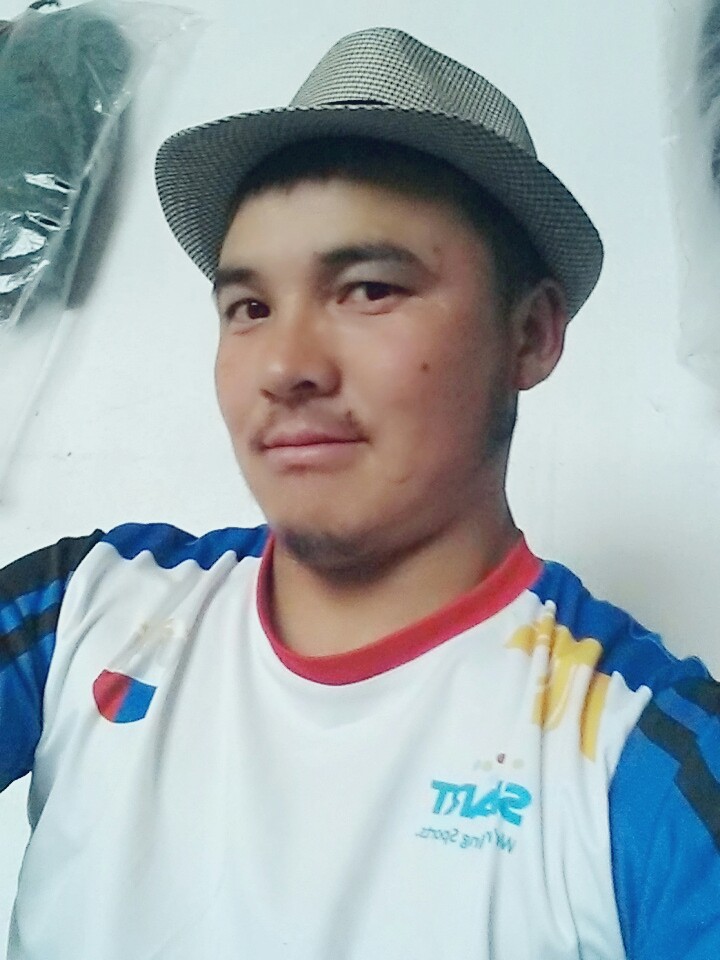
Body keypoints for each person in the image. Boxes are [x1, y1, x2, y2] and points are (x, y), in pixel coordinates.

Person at [1, 26, 718, 960]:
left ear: (532, 335)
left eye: (369, 290)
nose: (285, 366)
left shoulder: (642, 753)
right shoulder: (83, 607)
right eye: (250, 308)